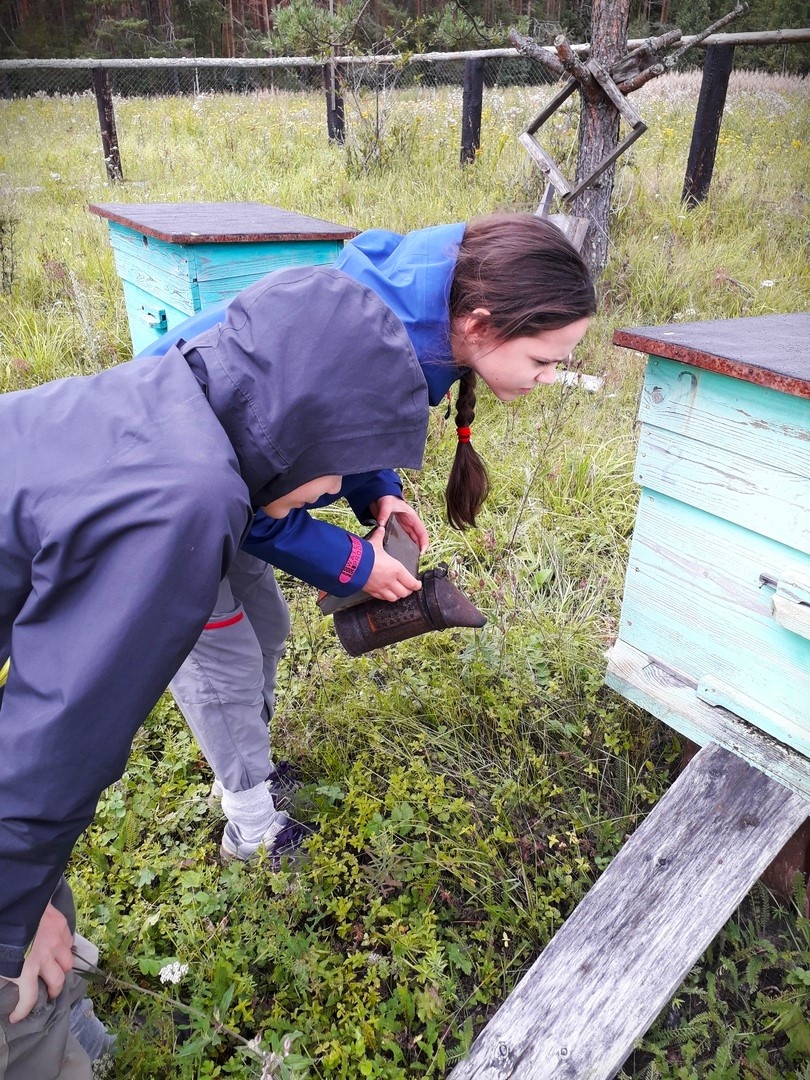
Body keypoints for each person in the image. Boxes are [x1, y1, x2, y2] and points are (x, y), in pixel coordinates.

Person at [0, 265, 432, 1079]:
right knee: (14, 1010)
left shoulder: (175, 396)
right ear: (295, 429)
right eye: (337, 470)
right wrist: (7, 929)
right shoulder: (190, 498)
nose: (336, 490)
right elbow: (57, 741)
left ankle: (72, 1013)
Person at [144, 213, 597, 861]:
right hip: (173, 495)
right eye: (542, 359)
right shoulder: (374, 345)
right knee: (222, 663)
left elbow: (335, 429)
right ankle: (249, 826)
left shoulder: (415, 325)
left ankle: (246, 771)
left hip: (228, 487)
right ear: (480, 324)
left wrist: (377, 490)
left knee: (267, 628)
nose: (548, 376)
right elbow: (260, 502)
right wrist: (357, 565)